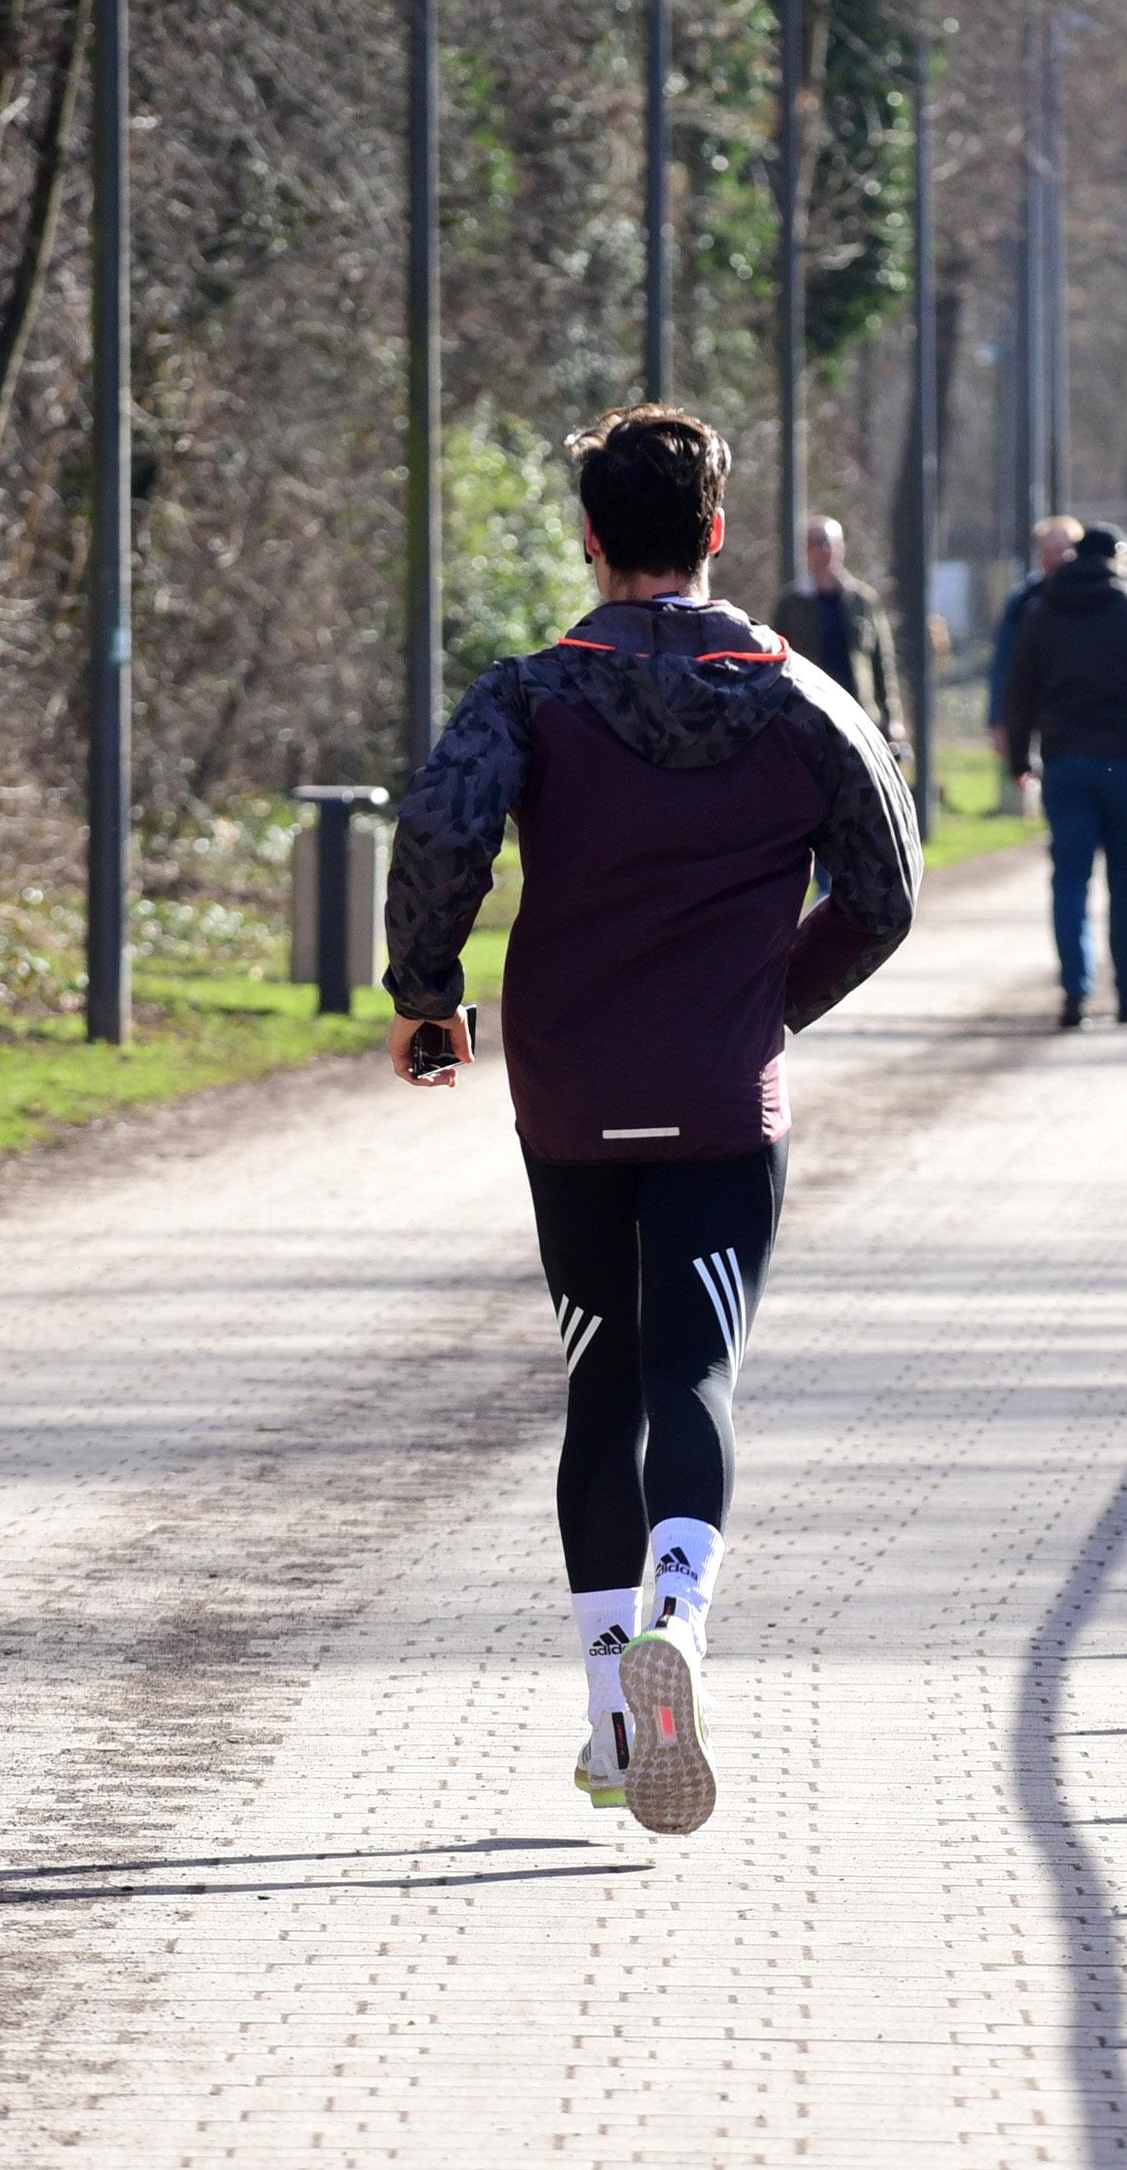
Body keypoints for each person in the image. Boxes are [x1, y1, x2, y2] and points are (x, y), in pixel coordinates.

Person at [383, 406, 921, 1837]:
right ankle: (683, 1610)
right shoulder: (805, 698)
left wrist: (428, 994)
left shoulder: (531, 694)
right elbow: (889, 889)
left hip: (570, 1090)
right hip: (717, 1098)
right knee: (698, 1372)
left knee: (598, 1379)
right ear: (719, 534)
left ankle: (617, 1708)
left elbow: (442, 830)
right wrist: (771, 1005)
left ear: (590, 538)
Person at [1004, 524, 1127, 1029]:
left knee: (1070, 882)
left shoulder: (1043, 614)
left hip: (1066, 764)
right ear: (1119, 558)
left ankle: (1075, 996)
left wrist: (1021, 760)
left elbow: (1019, 695)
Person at [773, 514, 905, 751]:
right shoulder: (791, 604)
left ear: (841, 548)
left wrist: (892, 717)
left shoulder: (863, 601)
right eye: (816, 543)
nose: (824, 550)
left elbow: (882, 662)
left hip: (860, 716)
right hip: (809, 717)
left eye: (829, 542)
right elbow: (776, 663)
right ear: (806, 550)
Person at [986, 515, 1085, 803]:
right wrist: (998, 720)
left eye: (1062, 550)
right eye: (1048, 550)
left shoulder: (1096, 600)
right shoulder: (1024, 601)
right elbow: (1004, 662)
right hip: (1039, 712)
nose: (1055, 558)